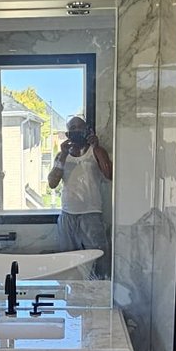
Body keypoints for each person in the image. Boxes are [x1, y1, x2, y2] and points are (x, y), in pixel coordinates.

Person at [47, 116, 112, 278]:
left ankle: (99, 295)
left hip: (91, 214)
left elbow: (109, 174)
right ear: (68, 134)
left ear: (86, 130)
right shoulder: (62, 155)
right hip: (68, 215)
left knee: (100, 260)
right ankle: (73, 294)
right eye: (72, 128)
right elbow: (52, 183)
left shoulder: (95, 151)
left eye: (79, 127)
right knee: (68, 262)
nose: (76, 131)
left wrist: (96, 147)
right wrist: (62, 155)